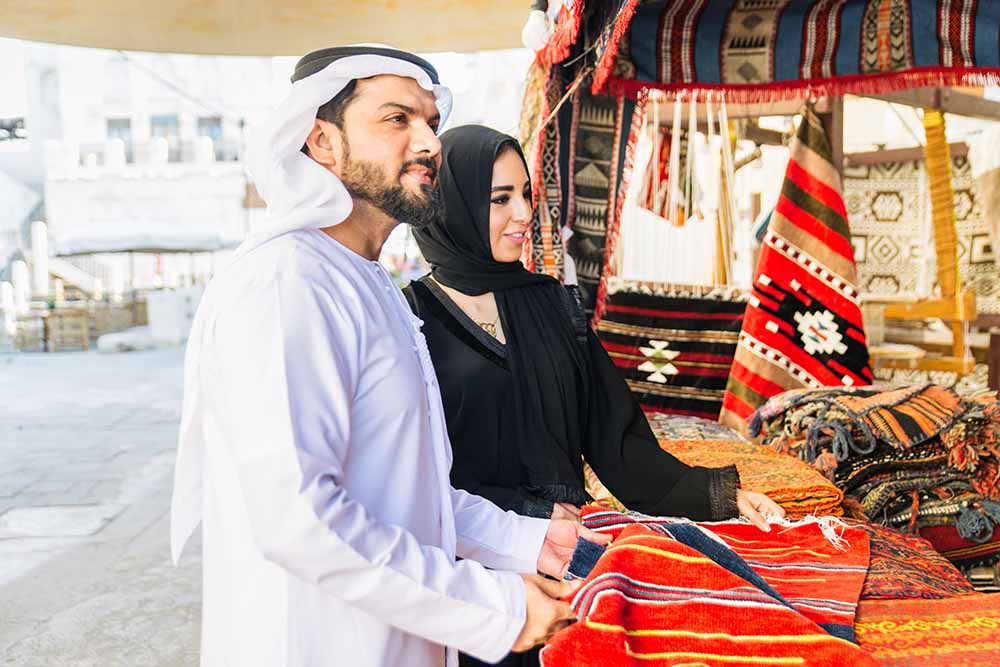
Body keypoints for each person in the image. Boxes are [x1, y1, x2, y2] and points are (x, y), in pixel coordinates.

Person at [169, 47, 608, 667]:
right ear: (322, 143)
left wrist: (534, 539)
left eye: (431, 121)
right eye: (397, 119)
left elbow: (412, 493)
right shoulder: (289, 283)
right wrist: (497, 606)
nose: (429, 142)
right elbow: (300, 518)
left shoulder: (370, 284)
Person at [404, 124, 784, 552]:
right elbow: (413, 472)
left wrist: (721, 498)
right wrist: (525, 515)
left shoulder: (550, 305)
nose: (525, 213)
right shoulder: (410, 317)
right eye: (501, 199)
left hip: (569, 544)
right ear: (454, 204)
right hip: (464, 552)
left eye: (526, 194)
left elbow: (616, 440)